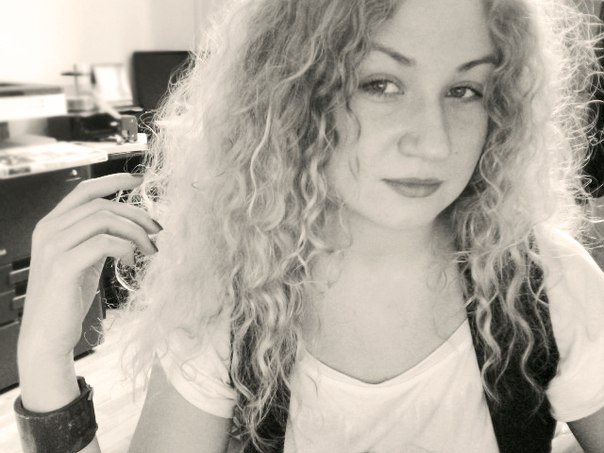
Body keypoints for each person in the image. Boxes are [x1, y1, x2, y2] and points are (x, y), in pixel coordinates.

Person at [14, 0, 604, 451]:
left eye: (465, 90)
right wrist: (45, 362)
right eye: (380, 84)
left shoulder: (547, 284)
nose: (434, 142)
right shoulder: (228, 300)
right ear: (291, 96)